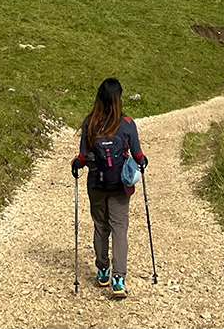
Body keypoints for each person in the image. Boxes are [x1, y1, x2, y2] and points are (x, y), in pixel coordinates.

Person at [71, 77, 147, 299]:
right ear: (117, 99)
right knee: (119, 229)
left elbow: (83, 156)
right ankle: (119, 279)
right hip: (119, 186)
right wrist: (142, 162)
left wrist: (76, 164)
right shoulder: (127, 124)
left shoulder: (90, 122)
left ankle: (102, 270)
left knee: (100, 226)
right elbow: (138, 155)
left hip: (96, 183)